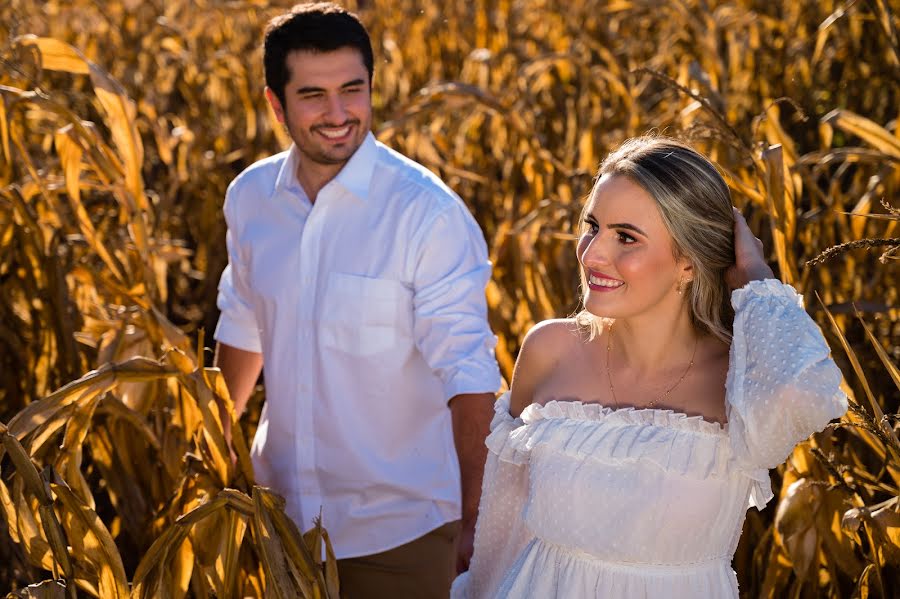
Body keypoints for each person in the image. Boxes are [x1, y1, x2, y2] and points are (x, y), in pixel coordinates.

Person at [452, 137, 847, 598]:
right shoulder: (550, 350)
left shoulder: (743, 379)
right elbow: (502, 526)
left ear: (687, 262)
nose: (592, 253)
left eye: (626, 237)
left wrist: (756, 279)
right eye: (592, 226)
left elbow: (803, 392)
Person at [212, 3, 502, 597]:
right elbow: (241, 327)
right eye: (313, 95)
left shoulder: (426, 213)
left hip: (402, 538)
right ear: (276, 104)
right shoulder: (250, 200)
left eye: (353, 89)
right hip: (281, 525)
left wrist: (476, 525)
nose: (339, 114)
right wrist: (207, 455)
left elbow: (469, 375)